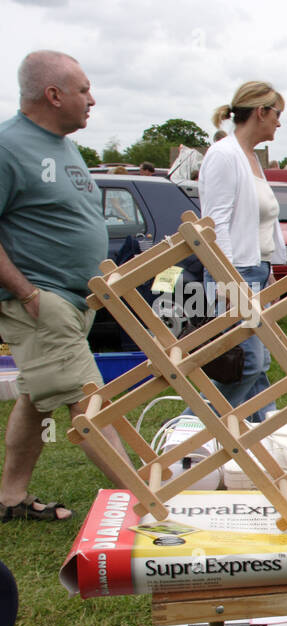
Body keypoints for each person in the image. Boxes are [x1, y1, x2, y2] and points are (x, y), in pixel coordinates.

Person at [0, 50, 126, 521]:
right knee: (88, 402)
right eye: (83, 90)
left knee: (35, 401)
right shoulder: (8, 147)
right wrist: (29, 293)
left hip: (75, 300)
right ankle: (153, 505)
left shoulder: (64, 144)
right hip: (40, 301)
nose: (92, 100)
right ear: (53, 95)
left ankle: (10, 498)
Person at [198, 80, 287, 421]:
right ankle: (211, 425)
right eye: (277, 114)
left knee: (259, 362)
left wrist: (270, 278)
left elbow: (263, 226)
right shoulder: (225, 155)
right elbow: (215, 221)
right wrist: (226, 279)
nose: (279, 122)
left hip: (256, 270)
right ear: (261, 112)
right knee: (247, 361)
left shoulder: (250, 157)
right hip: (235, 271)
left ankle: (263, 432)